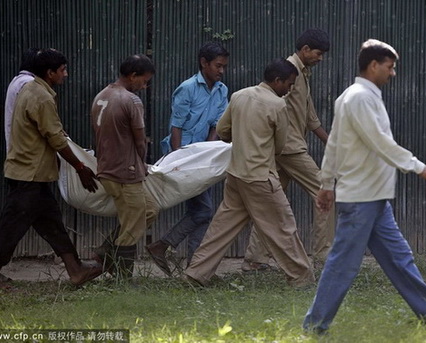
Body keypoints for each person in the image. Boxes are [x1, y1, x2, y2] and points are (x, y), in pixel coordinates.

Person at [302, 39, 426, 333]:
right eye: (390, 67)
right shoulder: (359, 98)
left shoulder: (353, 96)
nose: (393, 73)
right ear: (373, 65)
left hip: (373, 196)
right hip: (361, 198)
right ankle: (314, 327)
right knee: (343, 265)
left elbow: (335, 146)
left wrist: (327, 184)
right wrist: (420, 167)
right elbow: (381, 143)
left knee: (400, 260)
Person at [0, 49, 102, 293]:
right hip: (30, 175)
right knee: (12, 228)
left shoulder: (29, 89)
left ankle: (76, 270)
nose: (66, 75)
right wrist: (80, 167)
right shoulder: (42, 97)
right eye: (63, 70)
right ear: (50, 73)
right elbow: (55, 137)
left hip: (32, 173)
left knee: (52, 224)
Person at [184, 58, 315, 288]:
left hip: (236, 175)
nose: (290, 89)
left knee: (221, 228)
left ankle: (196, 273)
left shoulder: (239, 96)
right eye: (289, 84)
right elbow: (280, 146)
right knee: (283, 227)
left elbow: (223, 131)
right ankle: (302, 279)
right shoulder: (278, 105)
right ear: (277, 81)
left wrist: (244, 138)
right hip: (261, 178)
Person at [243, 28, 335, 272]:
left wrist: (331, 142)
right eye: (318, 53)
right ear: (305, 50)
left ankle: (254, 259)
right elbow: (271, 105)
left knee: (270, 203)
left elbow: (310, 117)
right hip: (289, 148)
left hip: (284, 149)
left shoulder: (302, 74)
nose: (320, 58)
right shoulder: (287, 73)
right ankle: (323, 257)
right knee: (326, 193)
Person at [145, 42, 229, 275]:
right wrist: (179, 161)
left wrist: (209, 153)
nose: (221, 70)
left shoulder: (222, 90)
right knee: (203, 211)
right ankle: (167, 248)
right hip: (183, 157)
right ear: (204, 63)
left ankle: (191, 263)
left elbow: (216, 126)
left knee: (201, 211)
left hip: (204, 158)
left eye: (224, 66)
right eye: (217, 66)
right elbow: (176, 126)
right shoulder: (188, 88)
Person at [90, 54, 156, 278]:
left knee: (150, 210)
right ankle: (122, 276)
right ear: (132, 75)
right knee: (134, 224)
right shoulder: (131, 100)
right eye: (144, 80)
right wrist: (142, 163)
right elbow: (140, 139)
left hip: (106, 168)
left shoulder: (102, 95)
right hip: (125, 171)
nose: (145, 86)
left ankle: (105, 250)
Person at [0, 48, 41, 283]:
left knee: (43, 217)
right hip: (26, 165)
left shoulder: (18, 82)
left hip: (23, 163)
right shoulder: (29, 85)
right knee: (13, 220)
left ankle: (74, 266)